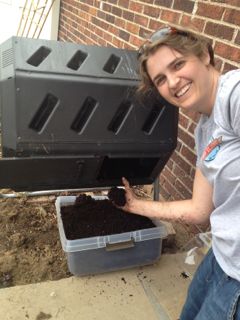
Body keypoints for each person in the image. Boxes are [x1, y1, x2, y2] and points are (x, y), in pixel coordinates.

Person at [119, 25, 240, 319]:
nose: (173, 82)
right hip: (221, 257)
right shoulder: (204, 129)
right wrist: (136, 205)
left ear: (205, 55)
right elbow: (199, 210)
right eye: (161, 79)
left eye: (178, 64)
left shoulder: (234, 96)